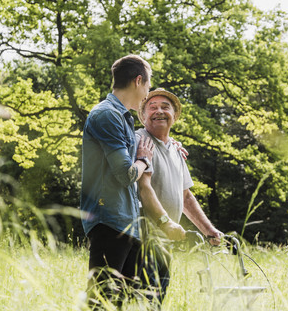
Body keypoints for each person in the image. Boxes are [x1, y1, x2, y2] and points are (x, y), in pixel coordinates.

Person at [80, 54, 155, 309]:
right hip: (109, 220)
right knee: (101, 303)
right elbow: (125, 173)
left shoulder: (124, 118)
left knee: (119, 304)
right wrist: (143, 160)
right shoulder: (106, 115)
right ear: (138, 81)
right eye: (148, 85)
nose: (148, 92)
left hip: (128, 224)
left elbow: (143, 144)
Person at [136, 88, 224, 306]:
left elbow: (185, 197)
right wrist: (165, 223)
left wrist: (208, 230)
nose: (159, 111)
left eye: (165, 107)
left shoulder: (175, 150)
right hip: (141, 238)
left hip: (165, 238)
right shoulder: (139, 140)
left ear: (174, 115)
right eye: (152, 107)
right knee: (142, 299)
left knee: (155, 300)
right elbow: (141, 187)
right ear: (143, 116)